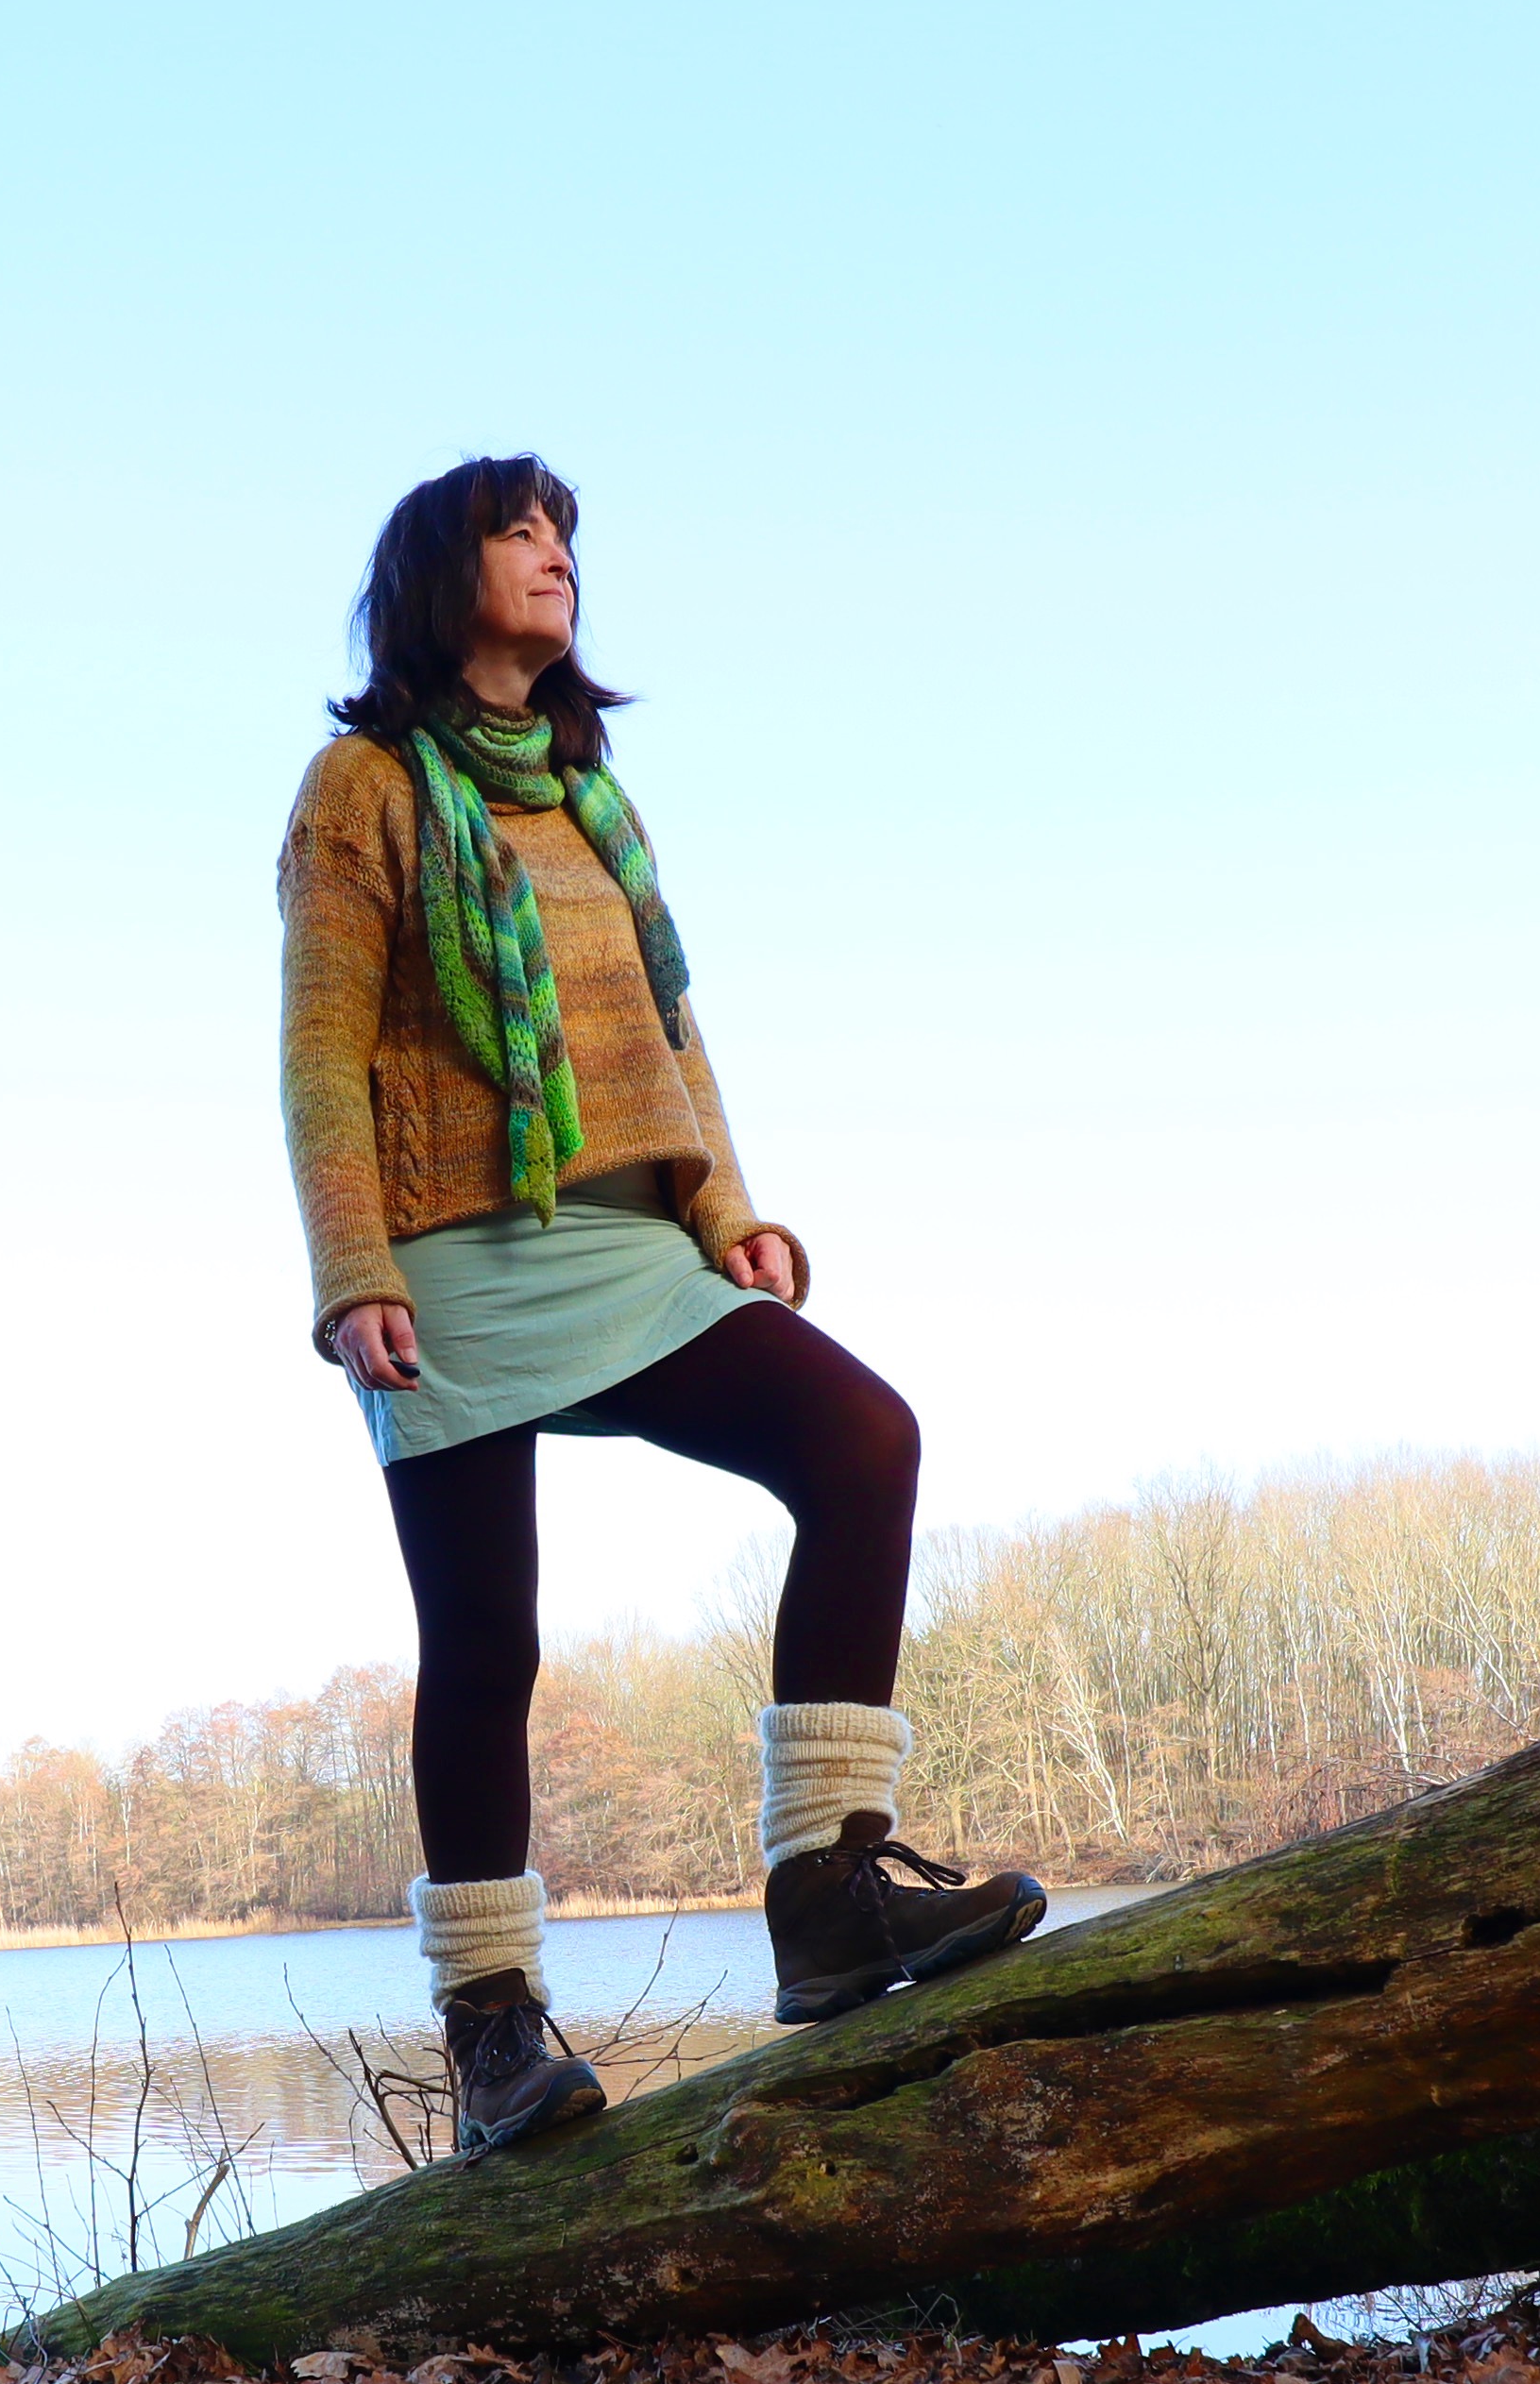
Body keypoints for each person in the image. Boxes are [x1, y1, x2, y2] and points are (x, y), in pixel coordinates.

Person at [278, 453, 1044, 2159]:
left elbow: (669, 1035)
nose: (554, 554)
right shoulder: (361, 788)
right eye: (518, 530)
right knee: (487, 1641)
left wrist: (729, 1210)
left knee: (864, 1442)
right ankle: (493, 2034)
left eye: (564, 533)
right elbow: (321, 1054)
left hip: (634, 1243)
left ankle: (829, 1893)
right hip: (448, 1256)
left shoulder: (589, 796)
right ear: (439, 577)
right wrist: (352, 1273)